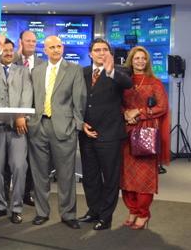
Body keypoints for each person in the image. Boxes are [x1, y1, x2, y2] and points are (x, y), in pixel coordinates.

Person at [28, 35, 86, 229]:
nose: (56, 50)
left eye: (59, 46)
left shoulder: (74, 70)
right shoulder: (36, 71)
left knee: (66, 174)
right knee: (39, 173)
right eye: (51, 47)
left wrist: (76, 125)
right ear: (45, 50)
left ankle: (68, 214)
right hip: (38, 126)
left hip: (64, 128)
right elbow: (32, 99)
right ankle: (41, 212)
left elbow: (80, 100)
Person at [77, 39, 132, 231]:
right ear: (90, 53)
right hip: (86, 133)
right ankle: (94, 211)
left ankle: (106, 217)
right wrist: (80, 123)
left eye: (105, 50)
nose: (101, 53)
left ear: (110, 53)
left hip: (109, 135)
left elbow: (128, 84)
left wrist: (110, 71)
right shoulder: (81, 73)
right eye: (97, 50)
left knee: (110, 178)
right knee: (90, 176)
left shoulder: (119, 71)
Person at [121, 46, 170, 230]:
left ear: (147, 62)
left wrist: (139, 112)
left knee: (143, 177)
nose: (140, 61)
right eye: (137, 58)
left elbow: (162, 107)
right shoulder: (124, 81)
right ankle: (132, 210)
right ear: (131, 61)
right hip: (126, 133)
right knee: (126, 176)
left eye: (143, 58)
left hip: (145, 134)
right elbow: (116, 103)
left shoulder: (154, 83)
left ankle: (143, 213)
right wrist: (125, 113)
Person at [0, 38, 32, 224]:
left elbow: (27, 94)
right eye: (3, 49)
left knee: (19, 167)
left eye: (10, 49)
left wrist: (20, 114)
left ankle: (16, 207)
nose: (7, 52)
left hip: (17, 126)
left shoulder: (22, 71)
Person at [13, 30, 43, 206]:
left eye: (34, 41)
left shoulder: (42, 64)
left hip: (36, 117)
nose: (31, 44)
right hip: (14, 116)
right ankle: (11, 193)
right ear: (21, 41)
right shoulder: (12, 59)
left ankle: (27, 192)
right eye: (28, 41)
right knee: (14, 160)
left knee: (32, 159)